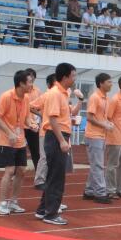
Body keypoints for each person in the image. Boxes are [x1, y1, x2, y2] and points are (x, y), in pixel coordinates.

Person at [35, 63, 78, 225]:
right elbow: (52, 119)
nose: (74, 79)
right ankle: (51, 214)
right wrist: (61, 141)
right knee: (57, 178)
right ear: (65, 77)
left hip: (57, 135)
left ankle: (42, 210)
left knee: (53, 175)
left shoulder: (63, 93)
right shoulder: (55, 94)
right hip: (55, 136)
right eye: (73, 76)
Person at [0, 70, 32, 216]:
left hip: (20, 140)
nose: (32, 85)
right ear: (21, 83)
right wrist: (9, 133)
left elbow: (26, 118)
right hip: (6, 140)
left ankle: (13, 202)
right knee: (9, 171)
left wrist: (31, 124)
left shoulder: (26, 98)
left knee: (21, 170)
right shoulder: (6, 96)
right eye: (30, 82)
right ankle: (1, 204)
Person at [83, 72, 114, 204]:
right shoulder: (95, 97)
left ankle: (89, 191)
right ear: (101, 83)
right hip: (94, 135)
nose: (111, 84)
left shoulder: (106, 98)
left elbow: (101, 117)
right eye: (109, 82)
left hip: (101, 135)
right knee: (98, 165)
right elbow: (90, 117)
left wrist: (107, 123)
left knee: (96, 164)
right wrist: (104, 125)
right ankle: (100, 193)